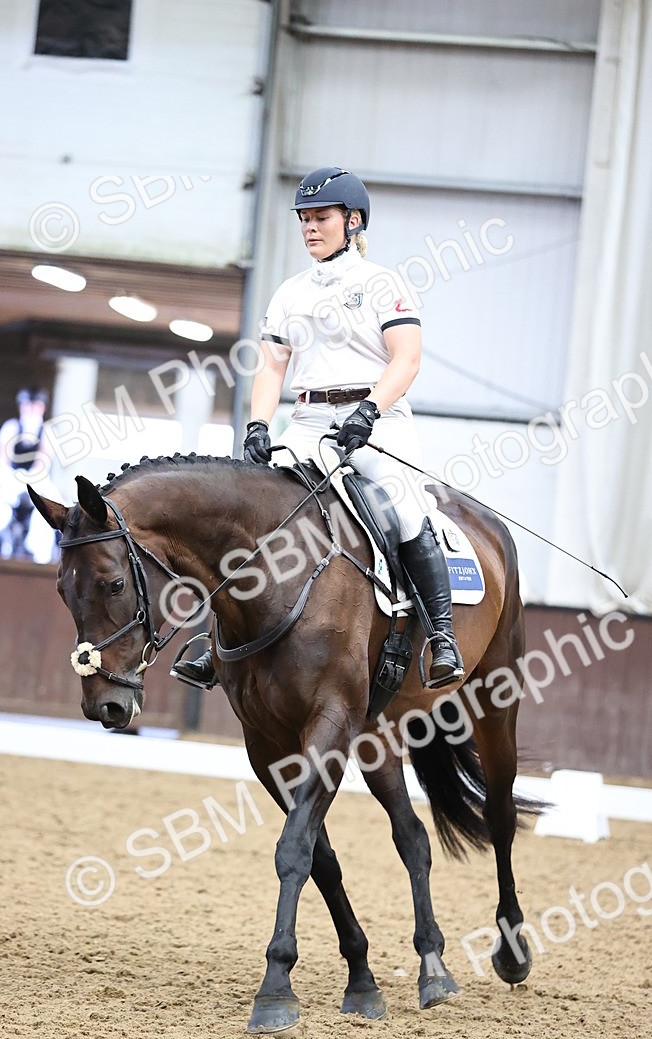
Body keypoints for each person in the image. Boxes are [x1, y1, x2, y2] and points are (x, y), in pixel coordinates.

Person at [173, 166, 465, 691]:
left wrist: (370, 410)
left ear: (352, 222)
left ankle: (442, 637)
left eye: (321, 218)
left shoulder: (383, 283)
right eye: (304, 219)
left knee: (404, 508)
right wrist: (259, 424)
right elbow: (272, 365)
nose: (310, 228)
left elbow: (407, 359)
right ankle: (211, 641)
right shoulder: (289, 292)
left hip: (378, 421)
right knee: (251, 510)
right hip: (307, 419)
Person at [0, 388, 59, 564]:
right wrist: (12, 476)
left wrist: (30, 478)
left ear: (42, 408)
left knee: (60, 509)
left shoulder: (48, 431)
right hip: (8, 477)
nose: (32, 410)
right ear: (22, 407)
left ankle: (56, 553)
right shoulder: (11, 427)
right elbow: (2, 457)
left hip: (37, 480)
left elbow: (43, 461)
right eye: (28, 406)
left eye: (36, 406)